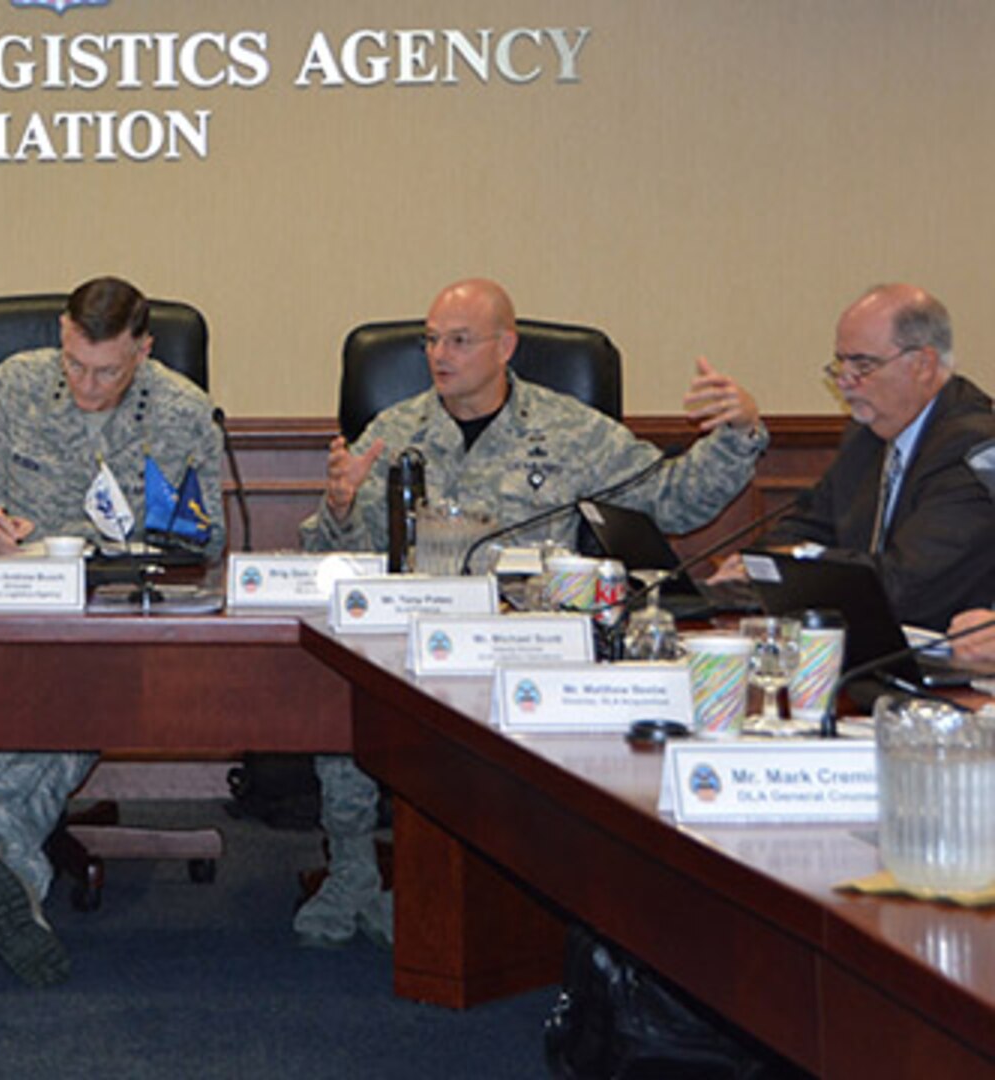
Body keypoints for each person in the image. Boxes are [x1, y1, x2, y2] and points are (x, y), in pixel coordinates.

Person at [296, 278, 768, 949]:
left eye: (458, 340)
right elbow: (332, 557)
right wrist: (340, 512)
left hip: (525, 647)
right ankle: (351, 873)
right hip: (411, 639)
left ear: (505, 347)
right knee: (342, 684)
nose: (439, 355)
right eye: (431, 340)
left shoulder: (569, 432)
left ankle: (532, 893)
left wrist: (738, 433)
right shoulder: (395, 430)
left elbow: (674, 503)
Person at [0, 276, 225, 987]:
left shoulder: (181, 410)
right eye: (74, 362)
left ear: (143, 349)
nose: (85, 382)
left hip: (106, 623)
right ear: (61, 333)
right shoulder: (14, 386)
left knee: (65, 684)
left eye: (106, 369)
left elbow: (202, 539)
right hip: (4, 606)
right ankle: (0, 868)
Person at [709, 285, 995, 631]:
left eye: (862, 365)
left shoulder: (973, 446)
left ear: (923, 364)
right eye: (840, 362)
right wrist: (756, 564)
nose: (844, 381)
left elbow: (907, 584)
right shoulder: (867, 435)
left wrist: (798, 560)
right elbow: (810, 522)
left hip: (950, 659)